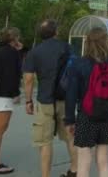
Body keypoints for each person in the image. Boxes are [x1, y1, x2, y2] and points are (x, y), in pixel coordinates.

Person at [64, 27, 108, 177]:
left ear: (88, 42)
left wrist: (69, 120)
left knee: (84, 161)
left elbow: (71, 94)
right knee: (103, 161)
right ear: (106, 42)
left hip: (86, 116)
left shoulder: (79, 64)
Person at [23, 20, 77, 177]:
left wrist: (28, 101)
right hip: (66, 99)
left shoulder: (35, 52)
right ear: (56, 32)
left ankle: (45, 175)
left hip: (45, 100)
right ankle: (75, 170)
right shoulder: (68, 48)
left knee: (44, 141)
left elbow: (28, 79)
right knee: (70, 137)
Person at [0, 28, 23, 174]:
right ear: (14, 38)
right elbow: (13, 75)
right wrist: (16, 93)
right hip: (4, 95)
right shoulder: (12, 54)